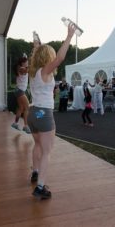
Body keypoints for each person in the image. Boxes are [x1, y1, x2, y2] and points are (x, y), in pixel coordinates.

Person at [27, 23, 76, 199]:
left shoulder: (32, 72)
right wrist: (69, 36)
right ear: (48, 57)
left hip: (32, 114)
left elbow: (38, 55)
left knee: (38, 145)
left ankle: (35, 172)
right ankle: (40, 187)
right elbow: (59, 59)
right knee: (47, 151)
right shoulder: (45, 71)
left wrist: (36, 46)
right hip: (43, 113)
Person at [11, 55, 31, 133]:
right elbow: (28, 69)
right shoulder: (22, 69)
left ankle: (15, 123)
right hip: (20, 91)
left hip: (18, 90)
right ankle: (26, 126)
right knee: (27, 108)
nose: (28, 63)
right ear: (23, 63)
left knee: (21, 108)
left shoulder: (20, 68)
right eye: (26, 62)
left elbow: (28, 69)